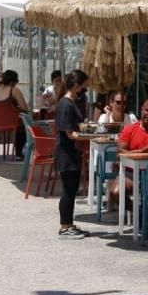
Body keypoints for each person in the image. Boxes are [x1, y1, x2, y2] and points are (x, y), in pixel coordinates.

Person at [54, 70, 90, 239]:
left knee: (72, 189)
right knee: (69, 190)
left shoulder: (69, 102)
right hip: (66, 153)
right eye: (84, 87)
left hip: (71, 152)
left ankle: (68, 223)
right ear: (76, 86)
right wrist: (91, 136)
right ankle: (65, 226)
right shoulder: (66, 104)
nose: (85, 91)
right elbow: (70, 133)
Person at [109, 99, 148, 208]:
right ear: (141, 110)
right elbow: (119, 153)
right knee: (115, 193)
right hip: (131, 174)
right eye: (147, 110)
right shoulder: (129, 129)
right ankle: (137, 211)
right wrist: (141, 152)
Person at [0, 69, 28, 158]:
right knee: (25, 124)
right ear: (13, 81)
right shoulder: (14, 90)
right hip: (12, 123)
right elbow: (24, 107)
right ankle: (19, 152)